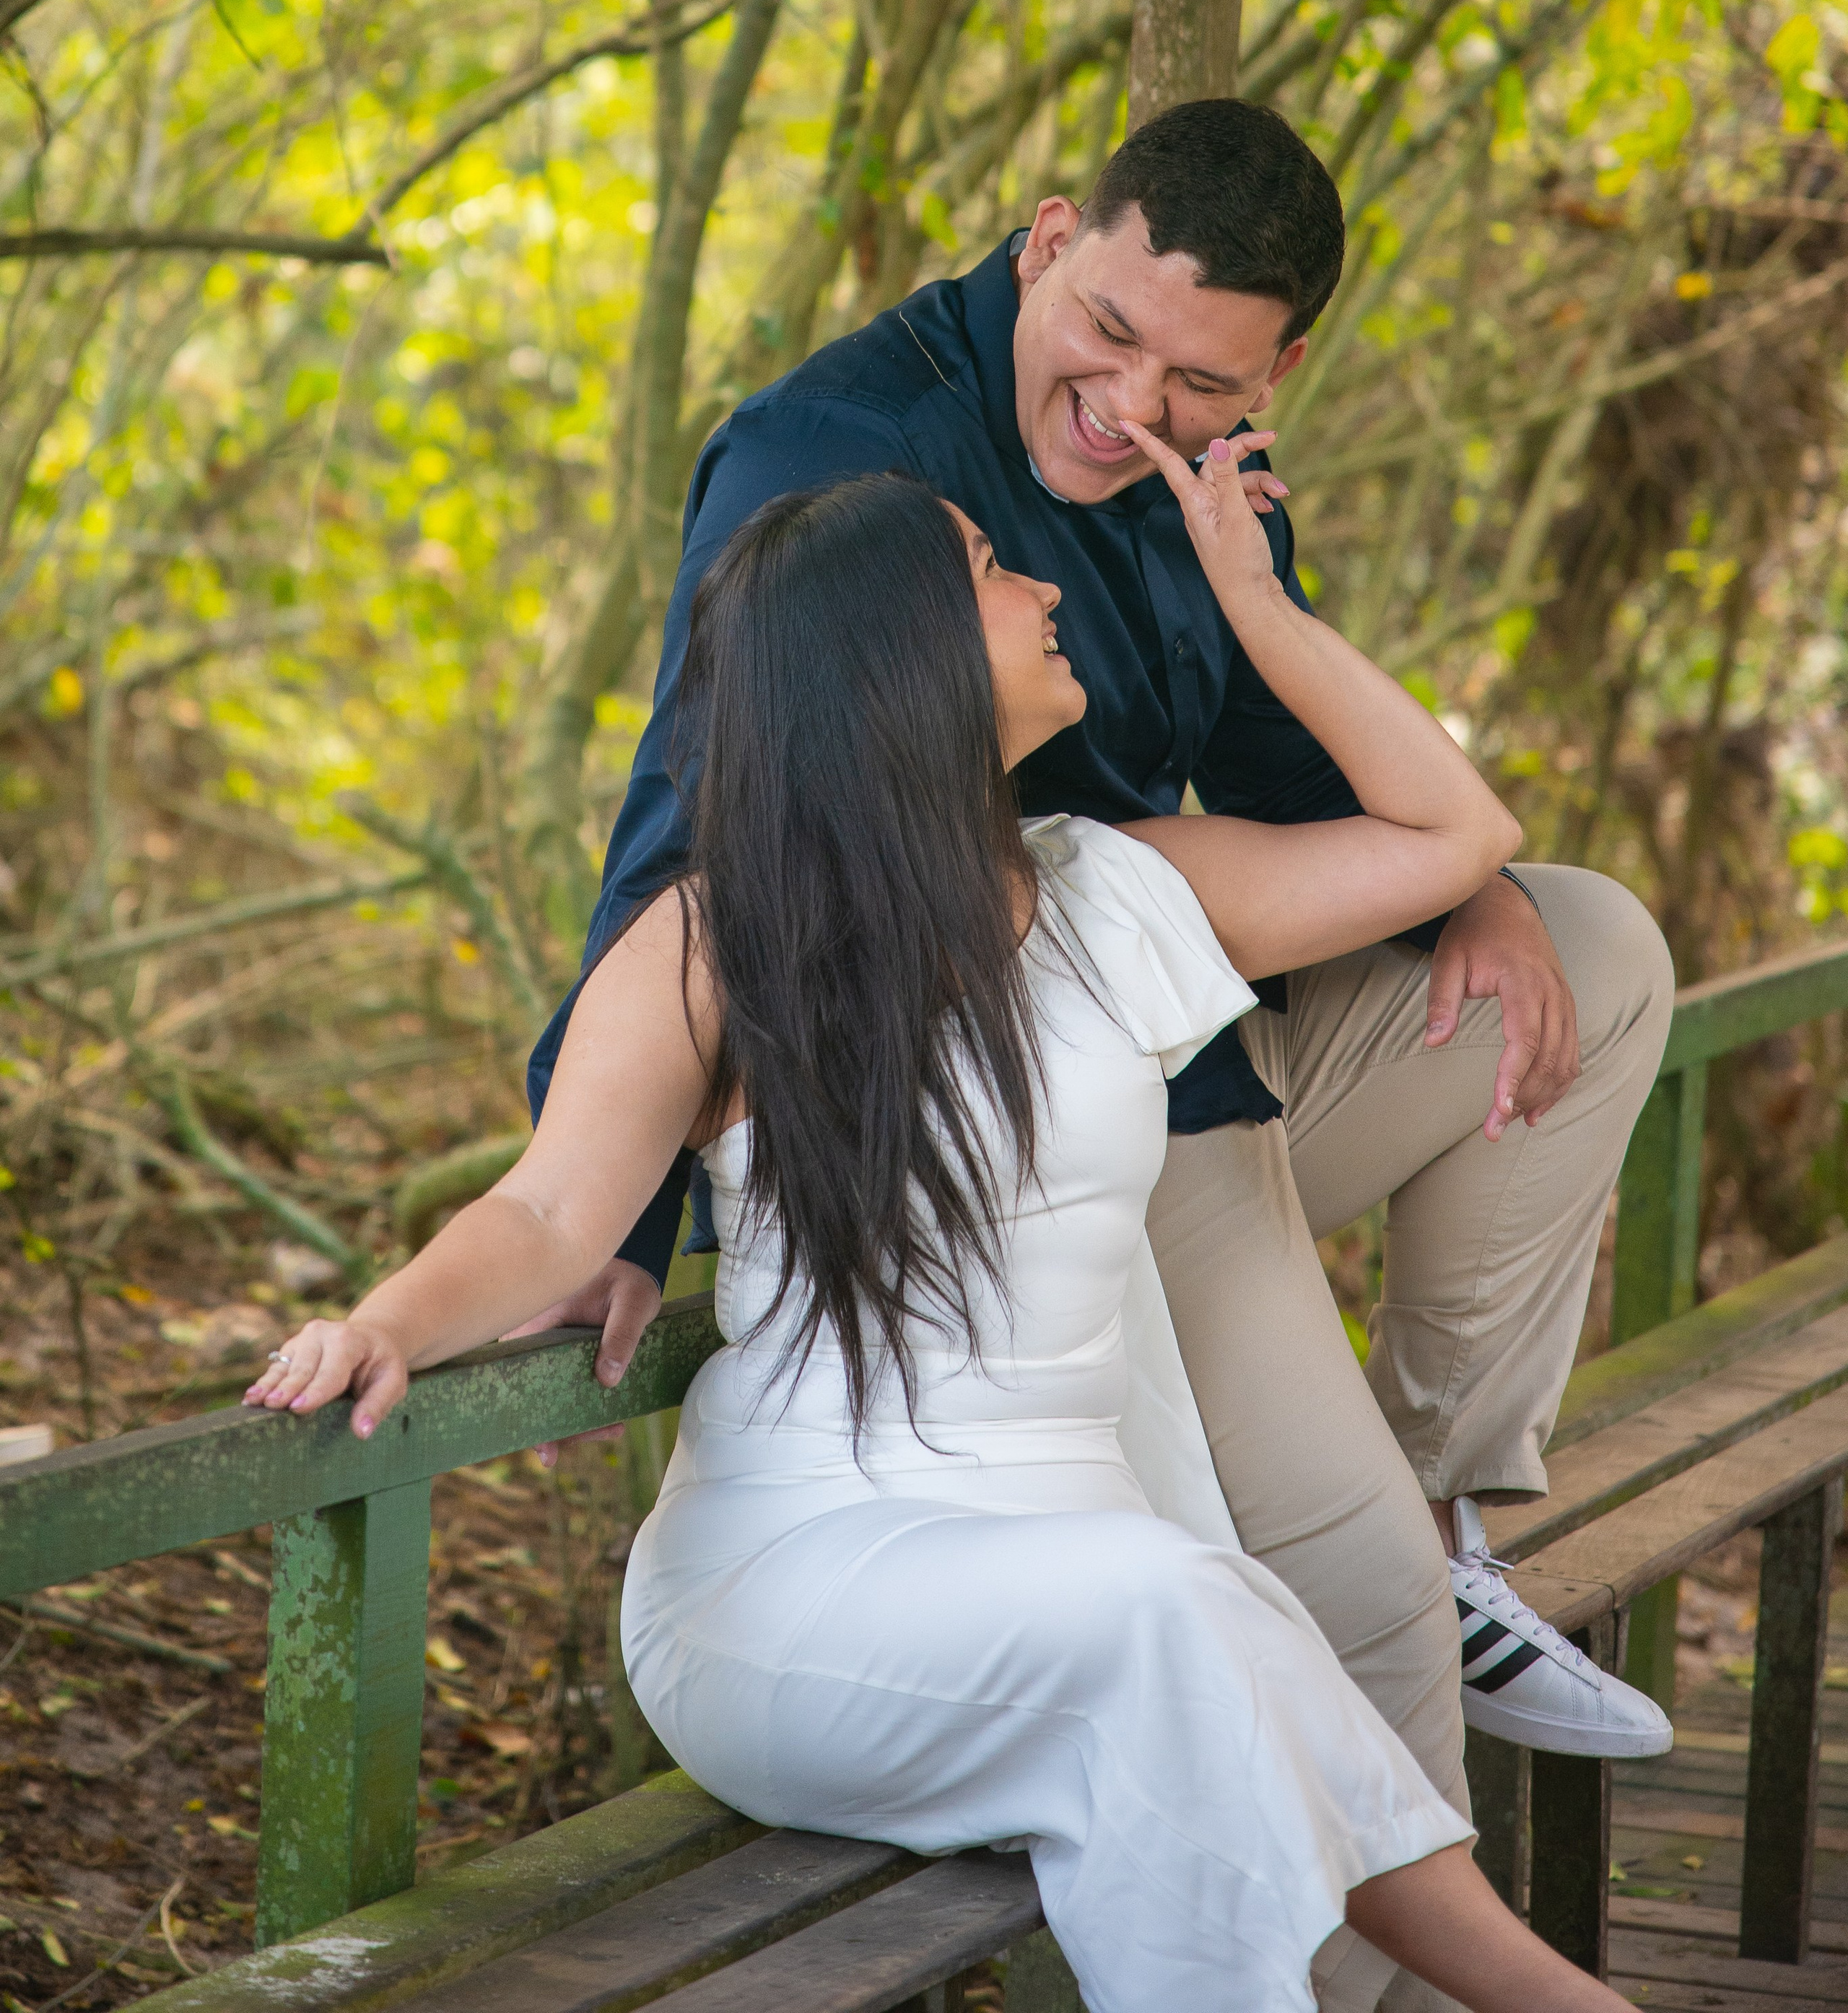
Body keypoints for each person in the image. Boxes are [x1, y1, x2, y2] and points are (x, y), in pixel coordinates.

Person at [245, 459, 1631, 2013]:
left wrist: (1255, 602)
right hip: (798, 1584)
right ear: (891, 650)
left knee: (1190, 1614)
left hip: (1079, 1564)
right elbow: (549, 1207)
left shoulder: (1119, 893)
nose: (1042, 585)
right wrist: (386, 1319)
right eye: (989, 566)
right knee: (1179, 1610)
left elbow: (1455, 832)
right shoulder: (720, 939)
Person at [520, 98, 1676, 1926]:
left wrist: (1476, 885)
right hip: (1028, 1122)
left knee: (1588, 947)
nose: (1128, 406)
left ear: (1277, 366)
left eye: (1196, 380)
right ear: (1050, 235)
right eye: (1107, 331)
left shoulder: (1195, 467)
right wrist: (622, 1212)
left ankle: (1445, 1504)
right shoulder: (839, 457)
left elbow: (1294, 762)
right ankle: (1383, 1653)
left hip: (1174, 1013)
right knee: (1337, 1599)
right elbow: (697, 836)